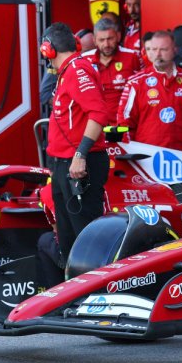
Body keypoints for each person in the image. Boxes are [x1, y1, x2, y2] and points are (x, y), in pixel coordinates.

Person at [42, 22, 109, 265]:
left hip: (79, 165)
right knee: (69, 240)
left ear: (47, 49)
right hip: (64, 165)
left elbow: (99, 113)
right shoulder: (67, 71)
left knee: (85, 240)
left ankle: (94, 294)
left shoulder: (77, 70)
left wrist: (80, 155)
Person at [118, 29, 182, 154]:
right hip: (146, 160)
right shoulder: (135, 82)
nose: (158, 54)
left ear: (174, 50)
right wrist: (130, 153)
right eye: (154, 49)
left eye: (163, 49)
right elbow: (124, 122)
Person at [81, 17, 142, 124]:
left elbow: (142, 91)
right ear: (94, 40)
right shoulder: (83, 60)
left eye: (110, 39)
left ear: (118, 37)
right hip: (94, 126)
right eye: (101, 40)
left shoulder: (132, 57)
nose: (106, 44)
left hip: (125, 124)